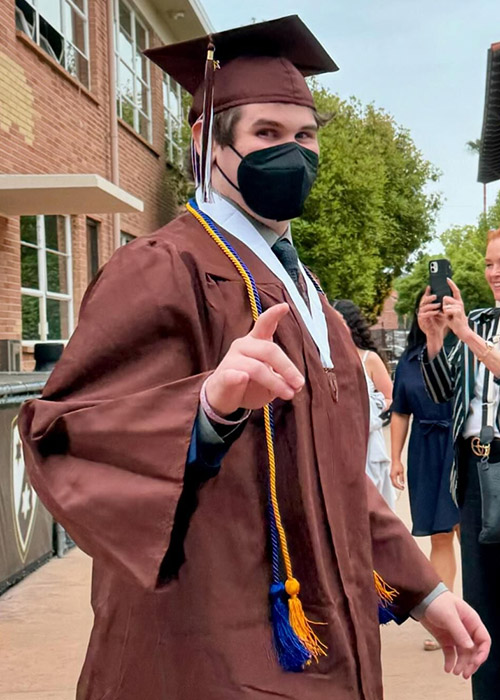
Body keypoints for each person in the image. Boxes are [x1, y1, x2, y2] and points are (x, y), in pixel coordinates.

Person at [19, 16, 489, 700]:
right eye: (267, 135)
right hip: (206, 654)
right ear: (206, 143)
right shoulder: (162, 269)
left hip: (329, 643)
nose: (293, 153)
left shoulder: (312, 301)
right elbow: (68, 435)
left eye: (305, 136)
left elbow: (337, 476)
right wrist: (205, 411)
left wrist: (425, 593)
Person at [419, 228, 500, 699]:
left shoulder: (475, 329)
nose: (493, 273)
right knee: (483, 600)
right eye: (489, 263)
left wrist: (464, 333)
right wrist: (435, 340)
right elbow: (441, 391)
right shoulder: (481, 322)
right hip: (475, 472)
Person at [391, 291, 460, 651]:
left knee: (476, 533)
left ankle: (487, 611)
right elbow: (401, 410)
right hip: (425, 450)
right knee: (440, 535)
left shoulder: (466, 349)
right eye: (428, 306)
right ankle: (448, 619)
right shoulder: (409, 360)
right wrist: (395, 457)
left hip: (462, 444)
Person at [334, 299, 395, 508]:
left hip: (368, 442)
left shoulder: (369, 359)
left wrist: (373, 408)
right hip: (339, 443)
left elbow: (389, 397)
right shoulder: (326, 359)